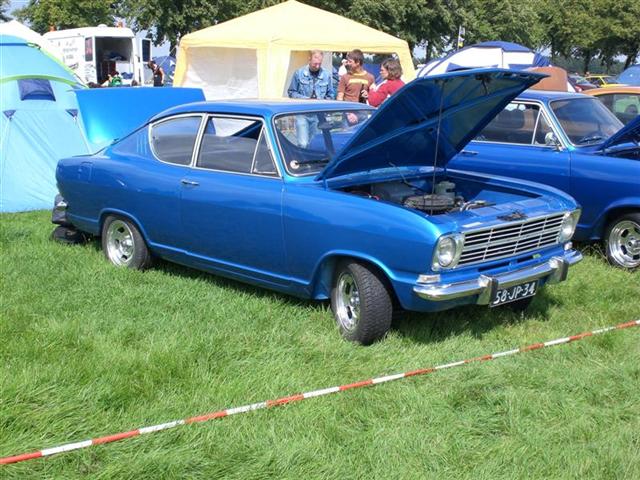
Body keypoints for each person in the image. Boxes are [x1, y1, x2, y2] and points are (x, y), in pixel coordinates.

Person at [287, 50, 335, 148]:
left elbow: (331, 95)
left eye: (319, 64)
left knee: (314, 144)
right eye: (315, 64)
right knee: (303, 143)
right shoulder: (299, 73)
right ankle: (302, 157)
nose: (317, 66)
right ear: (309, 59)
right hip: (302, 113)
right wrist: (306, 99)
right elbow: (291, 92)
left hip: (318, 115)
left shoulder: (326, 75)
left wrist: (324, 102)